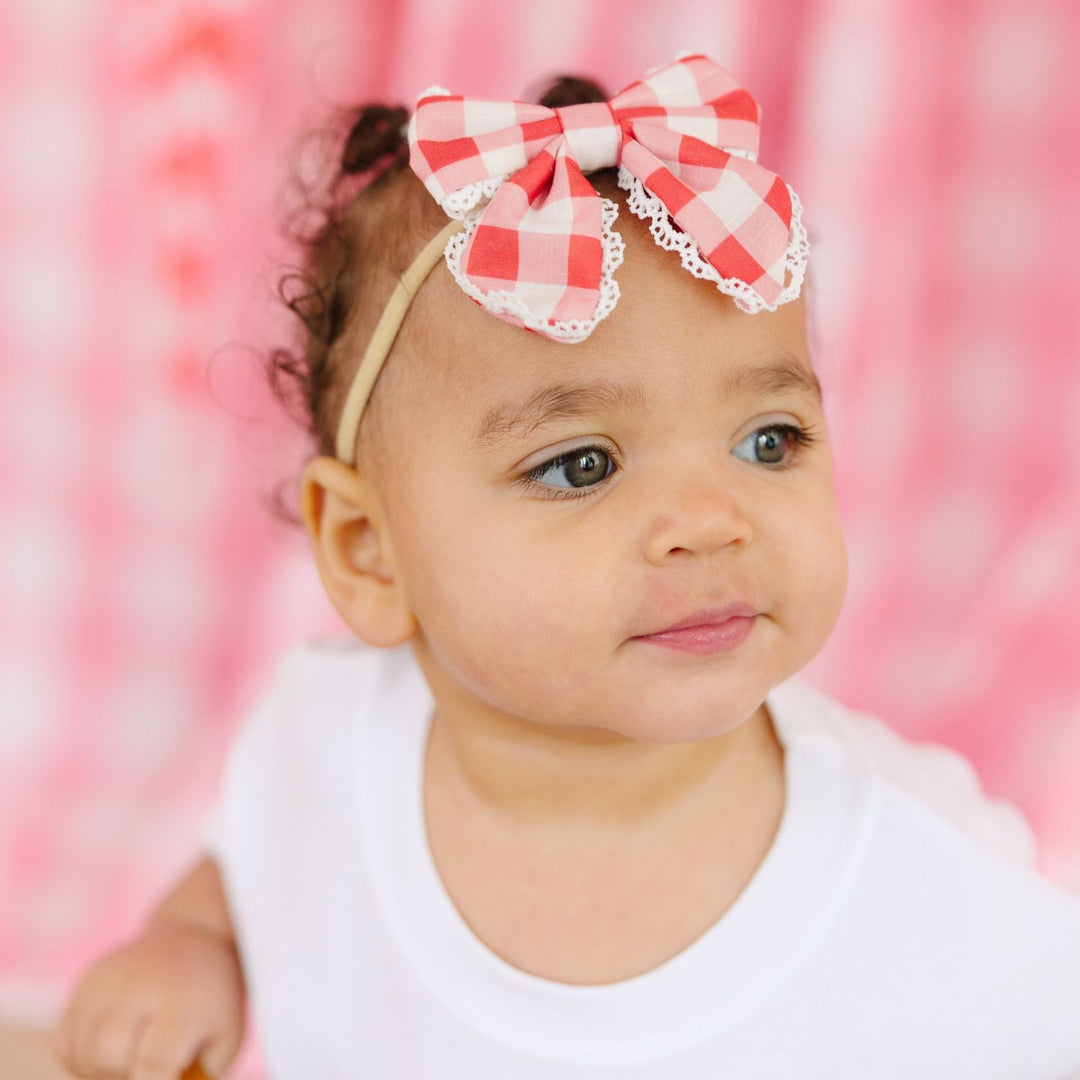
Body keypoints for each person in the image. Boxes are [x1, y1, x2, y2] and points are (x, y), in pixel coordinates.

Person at [51, 54, 1080, 1080]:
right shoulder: (326, 743)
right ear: (370, 553)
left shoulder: (927, 881)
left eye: (770, 441)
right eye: (581, 464)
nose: (712, 524)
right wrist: (192, 946)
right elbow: (253, 855)